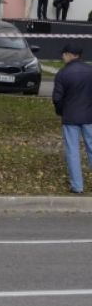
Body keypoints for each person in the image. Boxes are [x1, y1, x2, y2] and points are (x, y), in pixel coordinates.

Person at [52, 43, 92, 194]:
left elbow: (57, 98)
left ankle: (77, 186)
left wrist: (62, 111)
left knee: (72, 151)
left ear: (69, 54)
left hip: (70, 118)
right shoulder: (90, 71)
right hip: (90, 117)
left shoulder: (63, 73)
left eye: (63, 54)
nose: (62, 57)